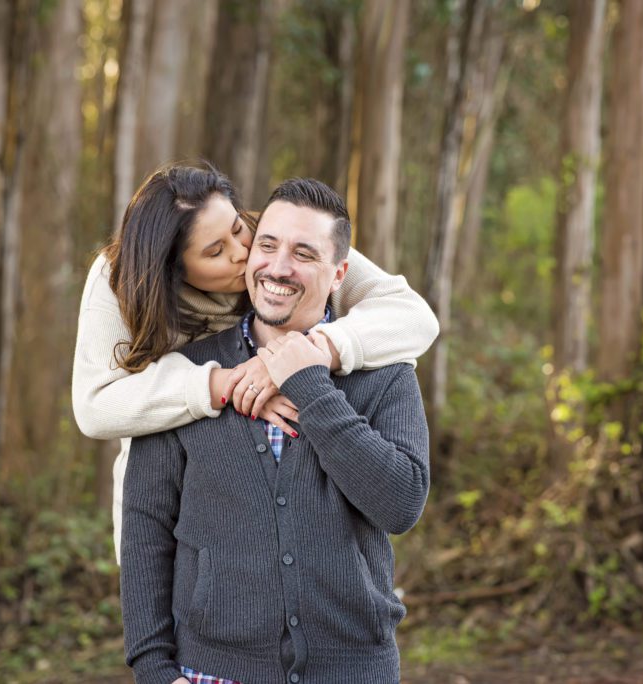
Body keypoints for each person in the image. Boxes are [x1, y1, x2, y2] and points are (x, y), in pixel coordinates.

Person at [121, 178, 430, 684]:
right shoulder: (186, 375)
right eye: (267, 245)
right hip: (211, 672)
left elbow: (400, 505)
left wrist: (309, 381)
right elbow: (146, 528)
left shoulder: (385, 372)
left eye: (304, 253)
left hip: (355, 671)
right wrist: (153, 668)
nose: (278, 267)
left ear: (339, 275)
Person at [71, 163, 438, 559]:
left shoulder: (280, 240)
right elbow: (95, 406)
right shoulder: (120, 277)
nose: (243, 252)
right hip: (171, 508)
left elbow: (415, 316)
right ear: (172, 271)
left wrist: (304, 354)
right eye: (216, 252)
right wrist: (227, 384)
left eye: (237, 228)